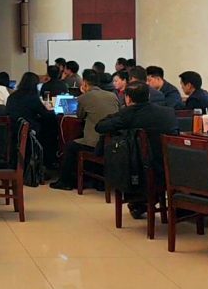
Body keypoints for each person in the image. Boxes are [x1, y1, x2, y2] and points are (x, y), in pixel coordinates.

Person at [95, 82, 178, 219]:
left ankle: (139, 202)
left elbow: (100, 127)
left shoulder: (128, 114)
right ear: (149, 96)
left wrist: (116, 114)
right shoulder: (167, 112)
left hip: (141, 170)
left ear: (127, 98)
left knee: (123, 153)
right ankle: (143, 202)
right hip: (172, 166)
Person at [51, 70, 121, 190]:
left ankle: (65, 181)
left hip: (95, 142)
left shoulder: (84, 97)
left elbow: (80, 115)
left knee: (69, 146)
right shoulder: (112, 96)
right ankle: (95, 180)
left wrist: (83, 94)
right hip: (113, 141)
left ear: (84, 83)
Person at [6, 71, 57, 167]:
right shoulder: (32, 97)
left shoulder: (12, 96)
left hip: (14, 129)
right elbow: (45, 114)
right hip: (29, 130)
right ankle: (48, 161)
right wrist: (53, 111)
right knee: (50, 129)